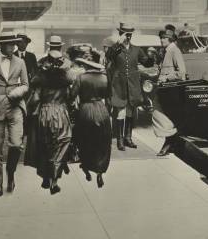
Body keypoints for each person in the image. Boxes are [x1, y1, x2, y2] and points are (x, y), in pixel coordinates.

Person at [25, 37, 74, 194]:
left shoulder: (41, 67)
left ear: (49, 47)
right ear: (60, 47)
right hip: (60, 110)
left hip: (44, 111)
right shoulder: (67, 67)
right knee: (61, 144)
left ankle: (45, 177)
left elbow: (35, 94)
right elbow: (71, 92)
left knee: (45, 145)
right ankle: (54, 180)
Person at [0, 33, 28, 197]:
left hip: (16, 106)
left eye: (14, 44)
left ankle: (10, 173)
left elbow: (25, 85)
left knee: (16, 144)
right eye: (10, 44)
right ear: (2, 46)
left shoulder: (20, 62)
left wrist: (14, 94)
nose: (13, 47)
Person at [106, 22, 154, 151]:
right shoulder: (115, 49)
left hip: (133, 85)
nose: (128, 37)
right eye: (125, 34)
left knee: (131, 112)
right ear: (121, 34)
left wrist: (152, 56)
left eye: (130, 35)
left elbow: (147, 63)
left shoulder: (136, 49)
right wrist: (117, 43)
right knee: (120, 112)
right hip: (119, 85)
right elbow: (108, 56)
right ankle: (120, 140)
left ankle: (128, 138)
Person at [70, 56, 111, 189]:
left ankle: (86, 167)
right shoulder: (105, 78)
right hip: (101, 109)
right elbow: (108, 95)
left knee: (85, 140)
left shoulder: (81, 77)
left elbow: (72, 95)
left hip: (86, 109)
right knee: (103, 141)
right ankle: (100, 171)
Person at [154, 28, 186, 156]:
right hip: (166, 90)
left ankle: (169, 144)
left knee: (168, 118)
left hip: (172, 91)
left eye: (163, 38)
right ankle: (170, 144)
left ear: (170, 39)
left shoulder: (174, 50)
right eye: (161, 38)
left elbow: (182, 72)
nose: (161, 40)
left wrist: (166, 77)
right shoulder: (167, 51)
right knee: (166, 118)